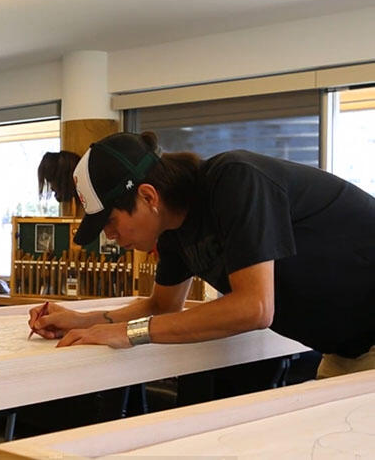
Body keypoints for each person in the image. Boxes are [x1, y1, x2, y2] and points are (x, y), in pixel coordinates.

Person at [28, 131, 374, 379]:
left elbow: (254, 307)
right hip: (345, 350)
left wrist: (130, 333)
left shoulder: (236, 181)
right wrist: (83, 320)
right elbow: (161, 307)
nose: (110, 236)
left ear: (148, 197)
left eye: (111, 221)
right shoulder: (174, 235)